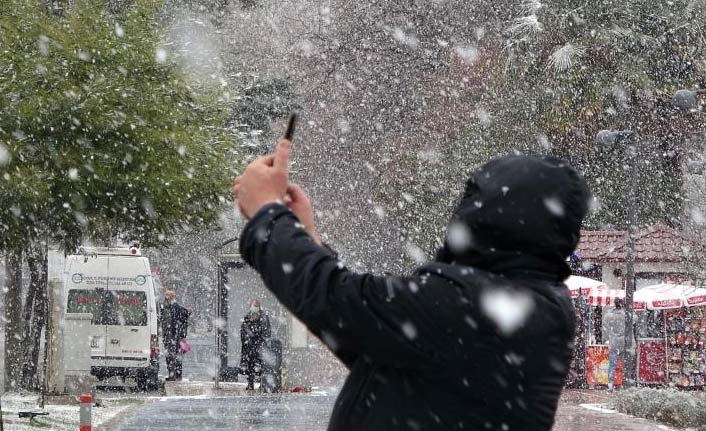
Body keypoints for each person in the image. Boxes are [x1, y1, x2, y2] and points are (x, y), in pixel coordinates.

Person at [233, 140, 590, 430]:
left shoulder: (475, 303)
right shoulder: (527, 302)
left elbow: (340, 302)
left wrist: (267, 214)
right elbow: (369, 338)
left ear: (491, 214)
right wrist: (305, 240)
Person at [239, 299, 272, 390]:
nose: (254, 308)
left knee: (262, 364)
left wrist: (260, 339)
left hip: (260, 345)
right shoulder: (247, 317)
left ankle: (262, 383)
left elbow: (267, 332)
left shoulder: (264, 317)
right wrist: (247, 340)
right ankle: (250, 383)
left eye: (256, 306)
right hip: (249, 346)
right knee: (249, 364)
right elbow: (243, 330)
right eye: (253, 306)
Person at [161, 290, 190, 382]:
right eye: (165, 296)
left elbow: (184, 321)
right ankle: (172, 374)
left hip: (175, 337)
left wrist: (183, 335)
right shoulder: (166, 308)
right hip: (168, 336)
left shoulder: (177, 308)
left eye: (167, 296)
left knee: (175, 356)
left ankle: (176, 375)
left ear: (172, 297)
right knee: (169, 356)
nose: (166, 298)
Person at [602, 298, 627, 390]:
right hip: (624, 342)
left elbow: (605, 327)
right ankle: (625, 383)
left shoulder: (609, 315)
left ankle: (610, 384)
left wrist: (607, 338)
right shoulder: (625, 314)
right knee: (625, 364)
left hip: (613, 342)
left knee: (612, 364)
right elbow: (635, 318)